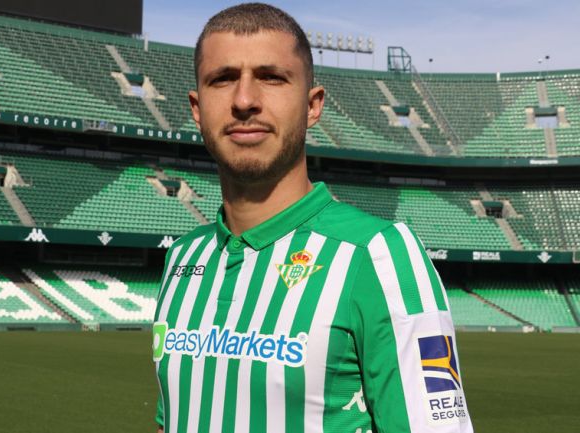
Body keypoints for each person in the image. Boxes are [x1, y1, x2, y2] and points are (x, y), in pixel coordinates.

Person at [152, 3, 473, 432]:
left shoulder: (380, 256)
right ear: (197, 107)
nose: (244, 100)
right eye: (223, 79)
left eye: (271, 77)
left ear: (313, 105)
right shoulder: (181, 258)